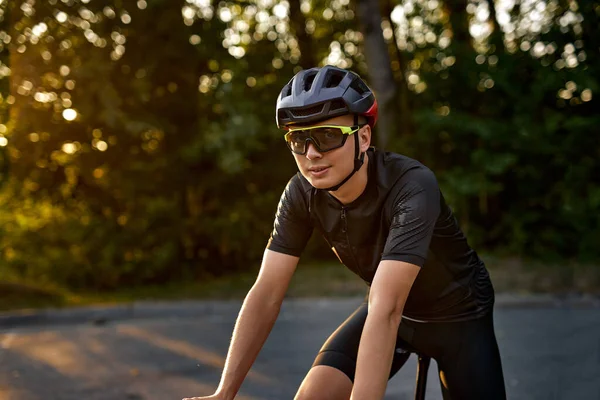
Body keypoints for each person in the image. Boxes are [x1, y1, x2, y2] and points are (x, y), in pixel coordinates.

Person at [183, 65, 506, 400]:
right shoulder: (301, 194)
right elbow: (266, 294)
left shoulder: (412, 185)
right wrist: (224, 393)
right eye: (298, 139)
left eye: (327, 136)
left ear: (363, 137)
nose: (311, 153)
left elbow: (387, 307)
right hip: (392, 309)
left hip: (460, 316)